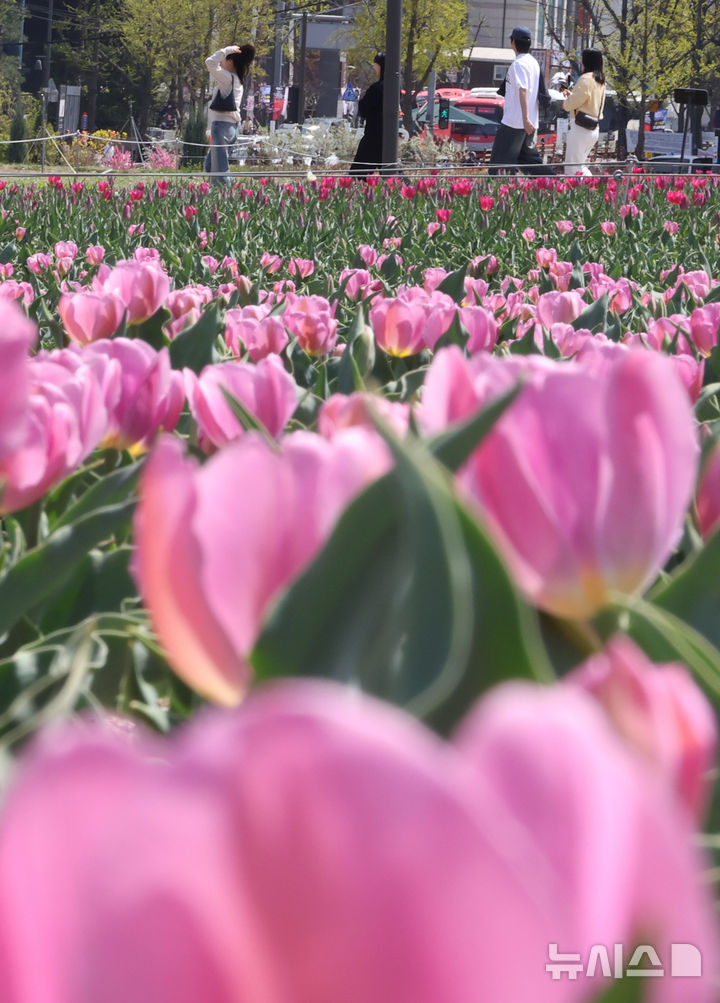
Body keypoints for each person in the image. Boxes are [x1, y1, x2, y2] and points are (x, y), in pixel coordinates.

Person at [489, 26, 554, 176]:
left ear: (513, 42)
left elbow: (523, 89)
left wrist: (524, 119)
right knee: (529, 162)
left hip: (515, 122)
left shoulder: (518, 64)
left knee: (499, 167)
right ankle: (555, 183)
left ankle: (501, 195)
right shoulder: (533, 62)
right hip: (531, 123)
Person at [204, 43, 255, 185]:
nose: (222, 61)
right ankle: (228, 191)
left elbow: (210, 62)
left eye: (224, 59)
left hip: (221, 127)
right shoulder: (237, 80)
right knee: (210, 167)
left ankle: (230, 193)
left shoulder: (228, 78)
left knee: (220, 172)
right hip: (232, 127)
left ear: (230, 61)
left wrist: (226, 50)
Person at [562, 49, 606, 175]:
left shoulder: (586, 78)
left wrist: (566, 104)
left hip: (580, 128)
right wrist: (573, 96)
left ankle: (578, 193)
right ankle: (590, 189)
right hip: (593, 128)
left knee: (572, 167)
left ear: (586, 61)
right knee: (580, 166)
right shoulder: (600, 80)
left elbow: (573, 102)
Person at [349, 54, 385, 177]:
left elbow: (364, 110)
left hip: (373, 136)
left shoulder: (377, 88)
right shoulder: (395, 87)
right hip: (388, 138)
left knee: (358, 175)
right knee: (392, 174)